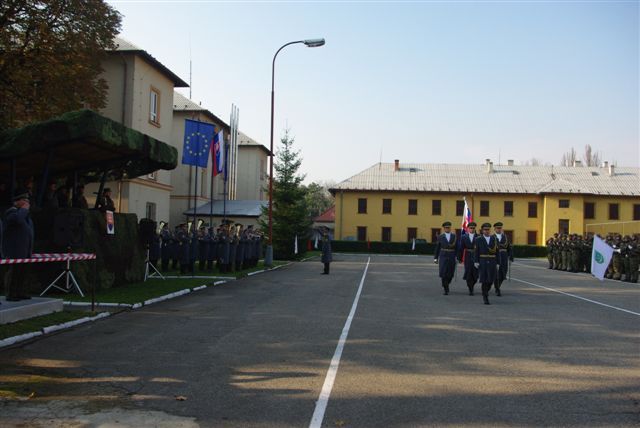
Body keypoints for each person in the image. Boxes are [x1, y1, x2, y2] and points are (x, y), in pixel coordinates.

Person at [2, 190, 35, 301]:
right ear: (17, 202)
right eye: (24, 200)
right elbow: (18, 220)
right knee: (13, 273)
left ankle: (20, 292)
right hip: (14, 250)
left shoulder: (24, 214)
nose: (27, 203)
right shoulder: (11, 212)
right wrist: (24, 210)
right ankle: (10, 294)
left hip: (25, 250)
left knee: (22, 273)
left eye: (28, 200)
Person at [474, 222, 498, 305]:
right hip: (483, 261)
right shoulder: (478, 239)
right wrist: (476, 261)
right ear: (482, 230)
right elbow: (476, 251)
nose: (487, 231)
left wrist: (498, 262)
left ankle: (486, 291)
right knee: (484, 279)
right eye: (485, 230)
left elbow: (497, 252)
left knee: (491, 280)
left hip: (492, 261)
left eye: (488, 229)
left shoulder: (494, 239)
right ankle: (485, 296)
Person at [434, 221, 457, 295]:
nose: (447, 229)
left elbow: (457, 247)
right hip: (443, 256)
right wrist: (435, 258)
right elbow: (437, 248)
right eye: (446, 228)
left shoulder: (454, 236)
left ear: (450, 228)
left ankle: (446, 283)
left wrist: (457, 257)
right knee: (443, 272)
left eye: (448, 227)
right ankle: (445, 288)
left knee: (450, 273)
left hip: (451, 256)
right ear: (444, 228)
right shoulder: (440, 237)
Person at [458, 222, 478, 295]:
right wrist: (459, 258)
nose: (472, 229)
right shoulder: (464, 237)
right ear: (468, 229)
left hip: (476, 257)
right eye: (470, 228)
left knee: (476, 274)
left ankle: (472, 285)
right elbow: (461, 248)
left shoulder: (478, 237)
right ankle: (470, 288)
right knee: (468, 272)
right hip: (468, 256)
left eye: (473, 228)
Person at [493, 222, 513, 296]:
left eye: (500, 228)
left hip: (504, 256)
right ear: (494, 229)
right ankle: (497, 288)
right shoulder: (492, 237)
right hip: (495, 257)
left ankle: (498, 287)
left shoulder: (506, 237)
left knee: (503, 273)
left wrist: (511, 257)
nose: (499, 229)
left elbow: (509, 247)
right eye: (497, 228)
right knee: (496, 274)